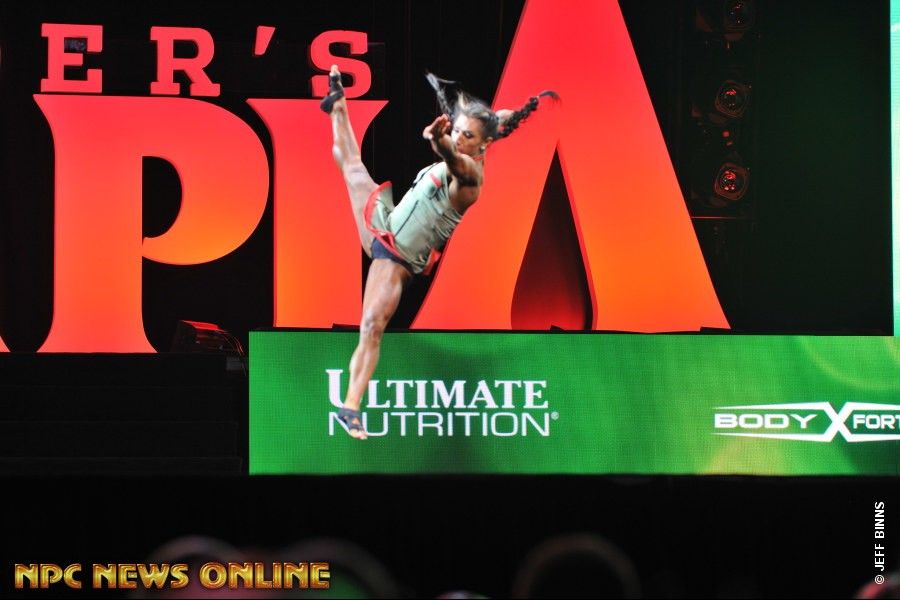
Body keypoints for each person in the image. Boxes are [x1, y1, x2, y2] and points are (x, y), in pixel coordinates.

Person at [322, 64, 557, 439]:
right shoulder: (483, 131)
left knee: (371, 327)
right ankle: (337, 102)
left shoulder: (470, 177)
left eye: (467, 135)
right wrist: (513, 114)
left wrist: (439, 139)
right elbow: (498, 119)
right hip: (385, 222)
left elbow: (451, 156)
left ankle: (350, 407)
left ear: (482, 146)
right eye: (458, 130)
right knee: (350, 164)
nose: (460, 138)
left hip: (397, 256)